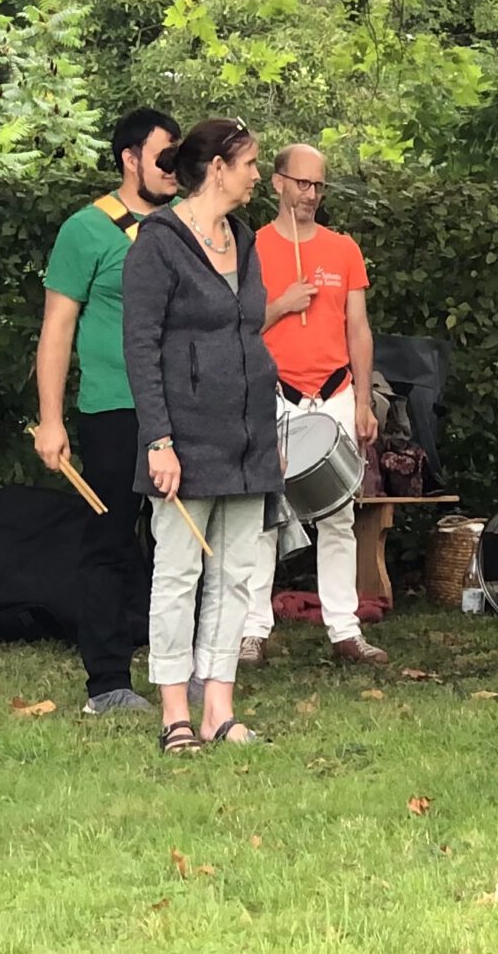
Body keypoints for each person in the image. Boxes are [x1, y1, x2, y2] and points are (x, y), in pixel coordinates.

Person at [122, 118, 283, 752]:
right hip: (185, 441)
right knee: (178, 574)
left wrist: (265, 424)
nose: (256, 175)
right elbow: (141, 347)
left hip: (248, 438)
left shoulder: (244, 238)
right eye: (249, 163)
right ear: (218, 167)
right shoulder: (157, 243)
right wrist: (158, 440)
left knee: (237, 574)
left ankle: (218, 707)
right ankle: (175, 714)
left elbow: (250, 331)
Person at [31, 106, 180, 715]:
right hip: (114, 409)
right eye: (164, 157)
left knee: (182, 544)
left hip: (180, 410)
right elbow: (56, 329)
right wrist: (51, 418)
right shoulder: (85, 230)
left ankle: (184, 671)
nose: (175, 169)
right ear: (130, 158)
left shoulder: (187, 226)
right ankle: (108, 682)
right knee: (111, 539)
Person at [244, 142, 384, 667]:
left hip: (335, 393)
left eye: (319, 185)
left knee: (338, 514)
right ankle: (252, 630)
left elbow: (358, 329)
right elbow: (238, 327)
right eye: (302, 183)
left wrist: (364, 402)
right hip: (274, 393)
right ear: (277, 182)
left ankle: (345, 630)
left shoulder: (342, 248)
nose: (310, 194)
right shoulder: (251, 247)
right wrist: (283, 305)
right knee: (262, 514)